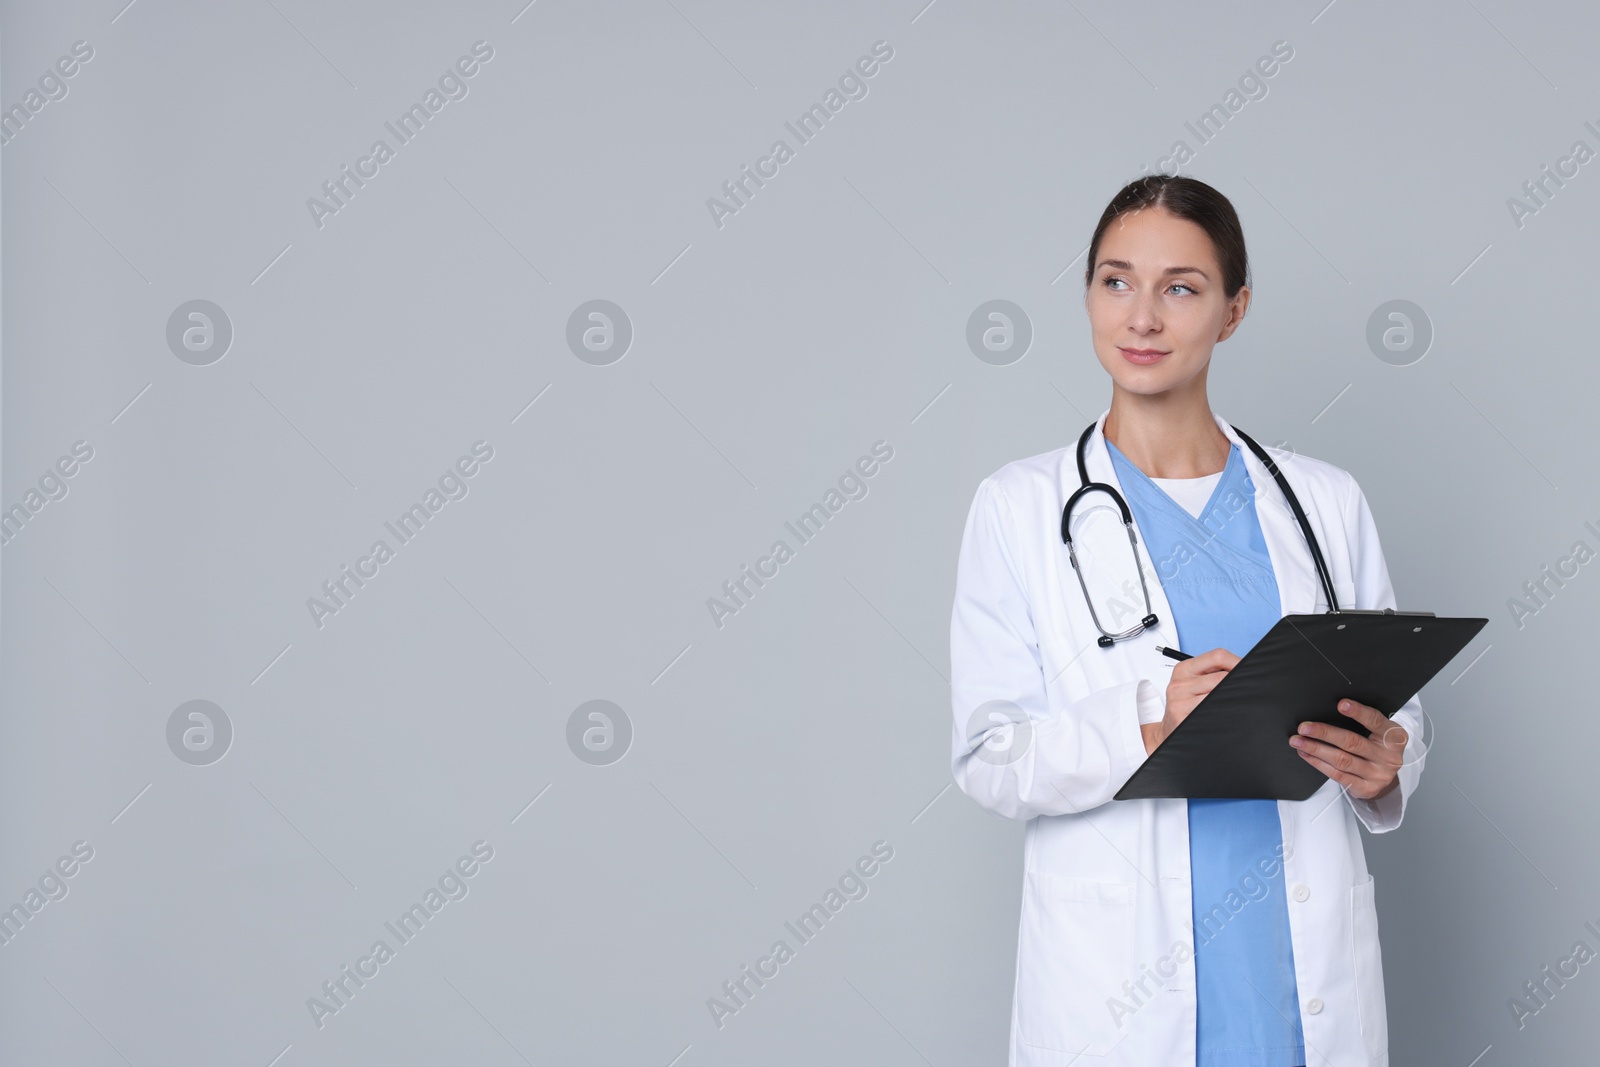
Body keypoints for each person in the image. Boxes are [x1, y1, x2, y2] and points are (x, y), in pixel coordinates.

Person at [949, 175, 1420, 1067]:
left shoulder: (1324, 501)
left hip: (1298, 980)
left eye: (1181, 288)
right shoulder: (1018, 507)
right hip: (1119, 998)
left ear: (1234, 311)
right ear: (1087, 293)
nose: (1142, 318)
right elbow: (991, 757)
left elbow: (1394, 700)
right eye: (1116, 281)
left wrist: (1387, 762)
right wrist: (1146, 721)